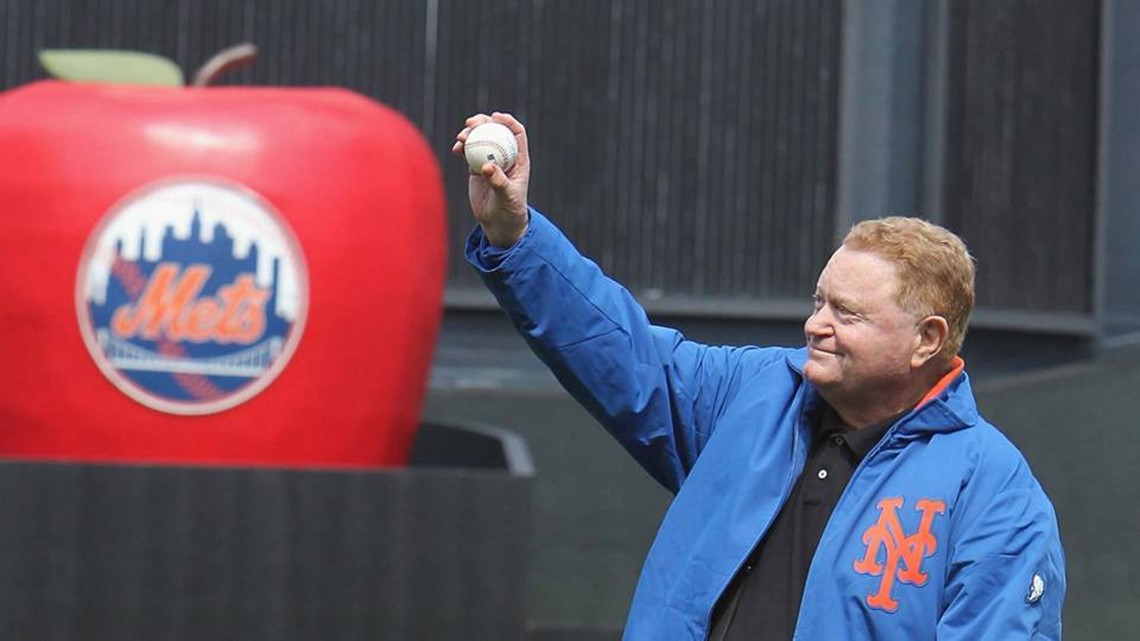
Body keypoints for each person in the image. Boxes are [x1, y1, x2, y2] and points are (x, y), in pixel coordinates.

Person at [453, 112, 1066, 640]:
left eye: (846, 313)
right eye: (819, 301)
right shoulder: (757, 391)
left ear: (926, 339)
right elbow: (620, 352)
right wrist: (514, 235)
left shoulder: (992, 490)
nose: (816, 325)